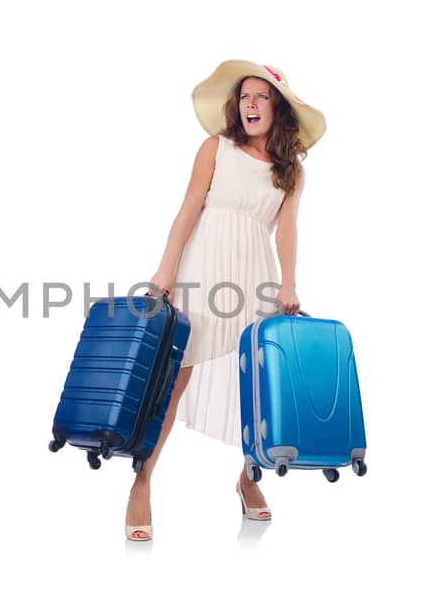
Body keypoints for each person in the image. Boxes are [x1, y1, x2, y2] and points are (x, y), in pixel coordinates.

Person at [128, 60, 324, 542]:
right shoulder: (215, 147)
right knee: (175, 379)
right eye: (245, 96)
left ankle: (248, 478)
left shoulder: (290, 170)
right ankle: (142, 480)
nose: (251, 104)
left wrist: (290, 284)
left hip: (254, 273)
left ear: (278, 108)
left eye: (261, 96)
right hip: (202, 269)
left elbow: (288, 231)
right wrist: (165, 271)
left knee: (260, 384)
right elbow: (188, 209)